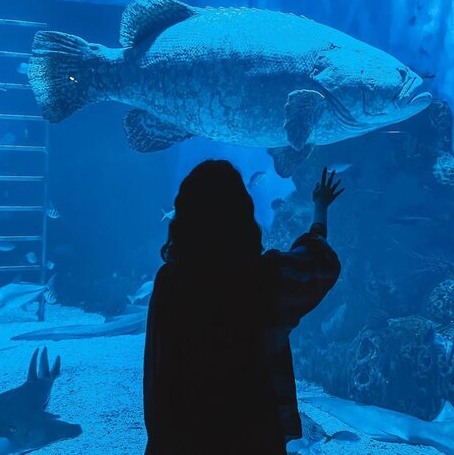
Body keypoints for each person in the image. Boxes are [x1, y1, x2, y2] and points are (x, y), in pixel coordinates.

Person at [143, 160, 343, 454]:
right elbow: (319, 264)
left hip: (182, 436)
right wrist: (320, 209)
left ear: (184, 218)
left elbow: (157, 367)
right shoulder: (262, 277)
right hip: (251, 434)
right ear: (242, 216)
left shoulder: (169, 280)